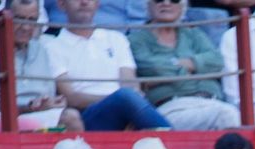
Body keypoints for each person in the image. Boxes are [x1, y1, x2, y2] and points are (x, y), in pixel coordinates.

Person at [52, 0, 174, 130]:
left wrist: (125, 102)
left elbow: (130, 81)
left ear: (97, 4)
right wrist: (118, 100)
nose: (84, 2)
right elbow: (71, 97)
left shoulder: (116, 38)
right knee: (126, 96)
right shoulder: (52, 46)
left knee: (128, 96)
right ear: (61, 4)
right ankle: (174, 139)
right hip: (86, 116)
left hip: (125, 109)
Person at [130, 0, 241, 129]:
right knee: (228, 116)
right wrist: (196, 68)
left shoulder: (194, 33)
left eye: (174, 0)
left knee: (233, 116)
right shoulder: (136, 40)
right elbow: (154, 69)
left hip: (212, 101)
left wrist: (179, 66)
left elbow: (217, 61)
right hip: (171, 107)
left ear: (182, 7)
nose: (166, 3)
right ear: (148, 6)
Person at [0, 0, 85, 130]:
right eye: (19, 19)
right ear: (4, 18)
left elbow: (52, 94)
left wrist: (56, 102)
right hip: (5, 117)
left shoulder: (44, 48)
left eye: (31, 20)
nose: (26, 27)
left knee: (71, 117)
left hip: (42, 114)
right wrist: (30, 108)